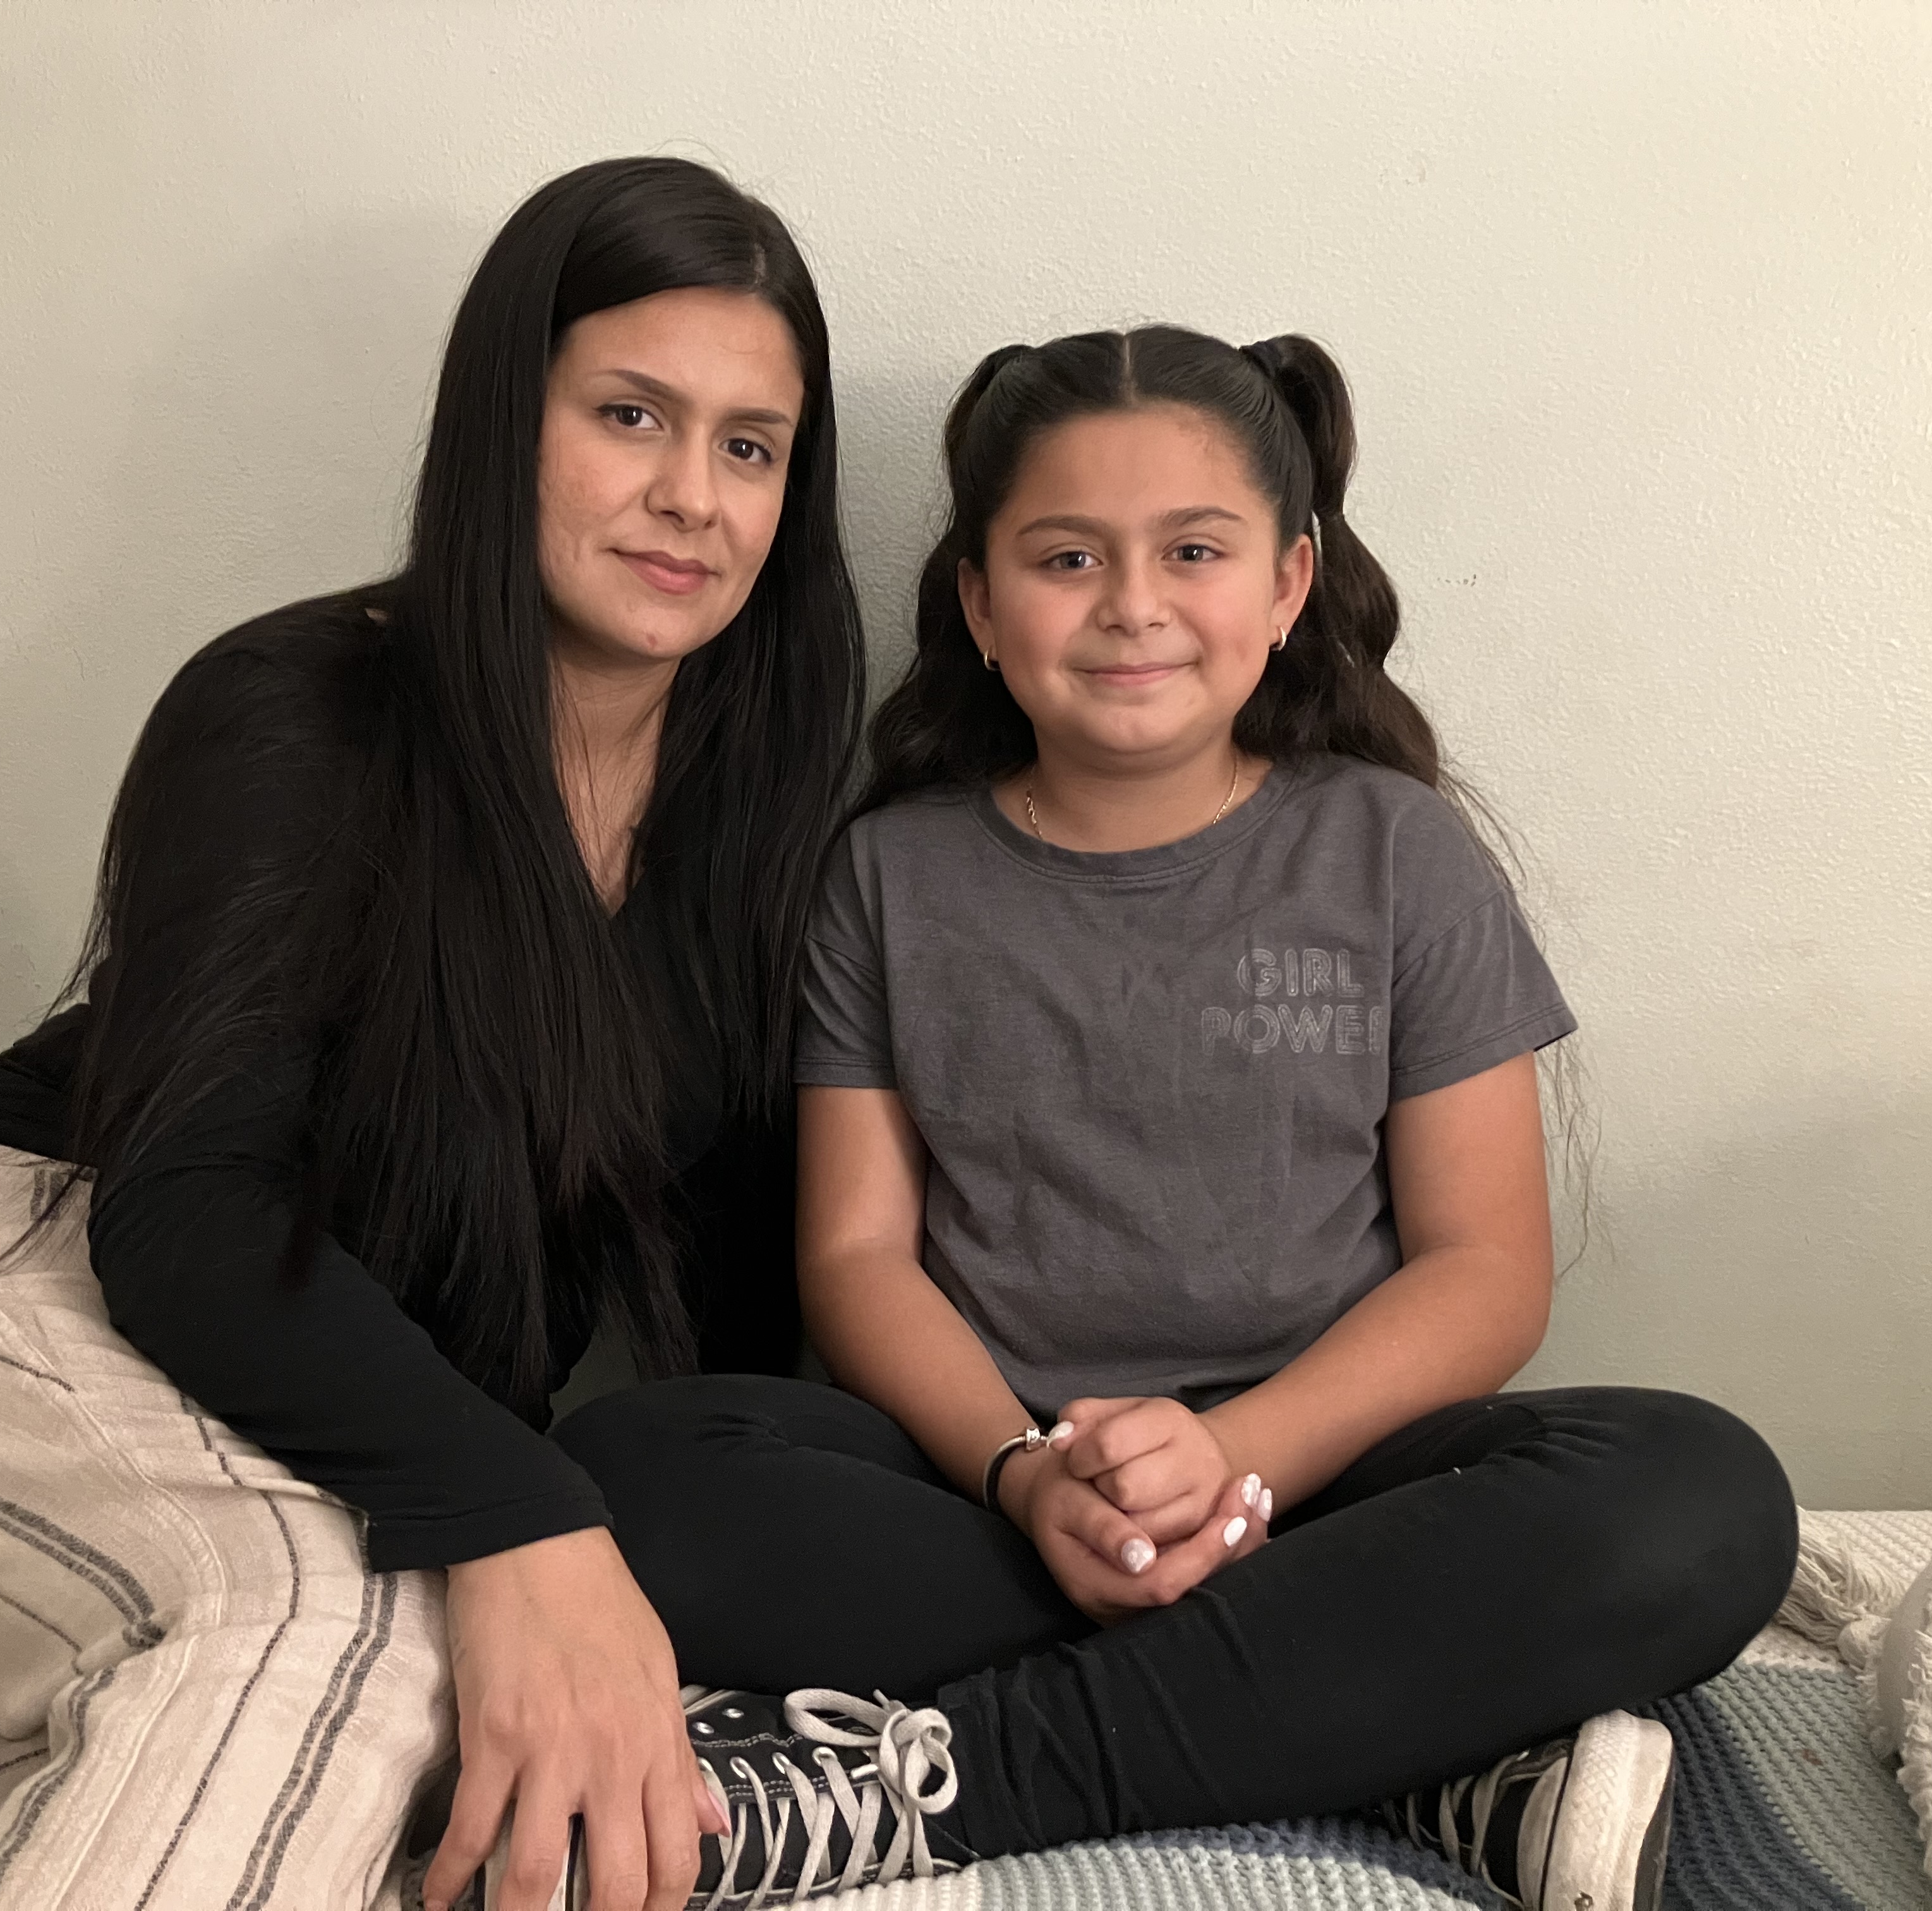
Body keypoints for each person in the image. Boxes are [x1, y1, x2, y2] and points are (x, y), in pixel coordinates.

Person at [0, 155, 861, 1911]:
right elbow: (188, 1208)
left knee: (446, 1704)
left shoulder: (750, 827)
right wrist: (527, 1510)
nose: (690, 497)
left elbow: (734, 1289)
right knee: (339, 1634)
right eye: (629, 415)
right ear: (506, 420)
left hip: (261, 1398)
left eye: (751, 447)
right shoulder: (305, 711)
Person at [557, 325, 1800, 1911]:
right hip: (996, 1494)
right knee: (626, 1471)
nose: (1133, 604)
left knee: (1699, 1494)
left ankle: (959, 1776)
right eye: (1067, 557)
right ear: (981, 607)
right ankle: (1413, 1757)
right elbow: (857, 1259)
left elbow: (1486, 1269)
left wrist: (1232, 1459)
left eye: (1192, 553)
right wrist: (1027, 1477)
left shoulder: (1394, 853)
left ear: (1287, 587)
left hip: (1328, 1498)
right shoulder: (890, 875)